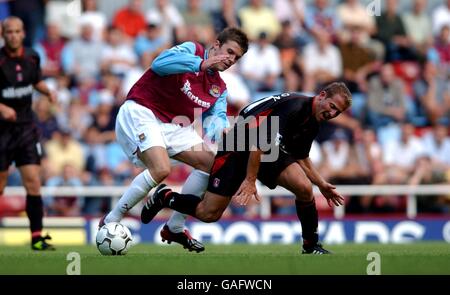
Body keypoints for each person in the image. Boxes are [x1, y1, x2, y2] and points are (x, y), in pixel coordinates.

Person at [141, 82, 352, 254]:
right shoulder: (294, 107)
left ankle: (311, 245)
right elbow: (256, 142)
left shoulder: (313, 119)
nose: (333, 113)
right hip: (238, 146)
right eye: (332, 106)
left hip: (265, 149)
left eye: (338, 112)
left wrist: (321, 184)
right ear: (322, 95)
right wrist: (250, 180)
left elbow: (301, 156)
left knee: (304, 188)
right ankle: (166, 197)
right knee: (209, 214)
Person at [100, 27, 249, 252]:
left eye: (236, 58)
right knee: (161, 169)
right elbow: (159, 64)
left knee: (212, 166)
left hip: (174, 126)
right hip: (143, 110)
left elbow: (215, 122)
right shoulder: (192, 49)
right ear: (216, 44)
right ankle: (111, 220)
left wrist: (224, 133)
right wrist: (200, 65)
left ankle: (175, 227)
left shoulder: (219, 88)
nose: (231, 60)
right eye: (229, 52)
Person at [0, 17, 57, 250]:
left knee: (33, 182)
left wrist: (47, 91)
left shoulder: (33, 56)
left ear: (23, 33)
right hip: (1, 132)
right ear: (3, 35)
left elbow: (35, 81)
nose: (13, 35)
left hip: (26, 128)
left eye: (17, 31)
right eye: (9, 32)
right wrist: (1, 108)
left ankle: (36, 238)